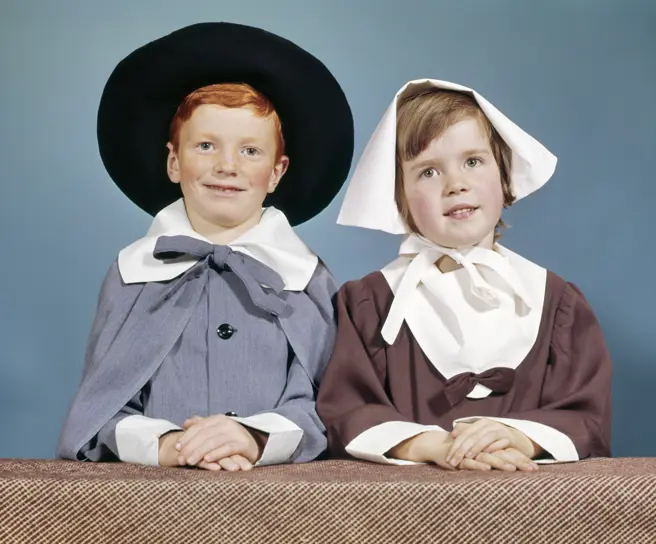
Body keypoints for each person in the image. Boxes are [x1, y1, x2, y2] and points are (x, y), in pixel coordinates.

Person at [57, 22, 354, 472]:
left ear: (277, 172)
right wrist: (170, 445)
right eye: (206, 145)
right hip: (153, 498)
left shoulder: (307, 278)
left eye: (250, 151)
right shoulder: (132, 273)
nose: (227, 166)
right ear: (174, 161)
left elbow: (324, 405)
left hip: (280, 496)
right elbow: (102, 408)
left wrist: (252, 439)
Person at [318, 79, 611, 471]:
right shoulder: (368, 306)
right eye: (428, 172)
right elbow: (345, 412)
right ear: (398, 197)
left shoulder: (557, 303)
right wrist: (432, 444)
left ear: (504, 175)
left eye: (473, 161)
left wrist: (518, 436)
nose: (456, 184)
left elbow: (587, 416)